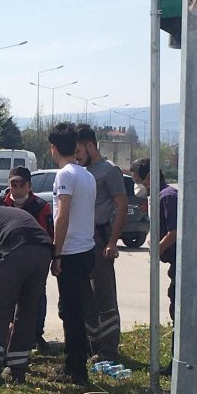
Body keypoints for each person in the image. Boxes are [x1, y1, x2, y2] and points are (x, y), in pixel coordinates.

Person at [47, 123, 97, 386]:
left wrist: (56, 254)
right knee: (76, 311)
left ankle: (74, 369)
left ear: (53, 147)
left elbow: (62, 216)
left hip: (71, 251)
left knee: (71, 311)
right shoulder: (87, 175)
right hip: (86, 248)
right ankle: (76, 363)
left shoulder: (64, 176)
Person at [75, 124, 127, 362]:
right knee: (86, 296)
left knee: (104, 295)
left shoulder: (109, 171)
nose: (76, 156)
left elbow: (121, 206)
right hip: (82, 239)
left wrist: (113, 242)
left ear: (89, 145)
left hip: (100, 238)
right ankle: (89, 345)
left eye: (78, 150)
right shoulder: (80, 171)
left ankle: (108, 350)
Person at [0, 205, 53, 383]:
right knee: (27, 312)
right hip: (43, 251)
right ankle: (17, 370)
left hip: (18, 250)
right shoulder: (7, 213)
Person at [130, 158, 178, 376]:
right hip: (174, 264)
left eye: (138, 180)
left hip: (180, 264)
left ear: (149, 177)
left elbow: (174, 232)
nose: (138, 185)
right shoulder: (160, 196)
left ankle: (177, 363)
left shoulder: (167, 196)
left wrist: (156, 249)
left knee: (179, 312)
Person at [2, 166, 54, 351]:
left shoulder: (41, 206)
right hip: (6, 260)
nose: (16, 189)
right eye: (13, 185)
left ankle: (36, 334)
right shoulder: (0, 204)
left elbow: (48, 234)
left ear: (29, 186)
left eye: (21, 185)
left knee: (37, 297)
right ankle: (7, 337)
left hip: (34, 261)